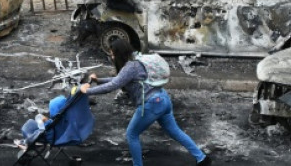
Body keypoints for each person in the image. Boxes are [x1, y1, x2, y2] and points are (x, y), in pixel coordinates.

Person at [81, 39, 210, 166]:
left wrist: (87, 91)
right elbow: (119, 80)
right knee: (175, 131)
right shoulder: (136, 60)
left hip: (152, 104)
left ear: (119, 53)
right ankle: (201, 158)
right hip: (163, 99)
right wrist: (99, 80)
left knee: (132, 134)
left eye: (113, 54)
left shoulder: (130, 66)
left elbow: (113, 85)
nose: (112, 57)